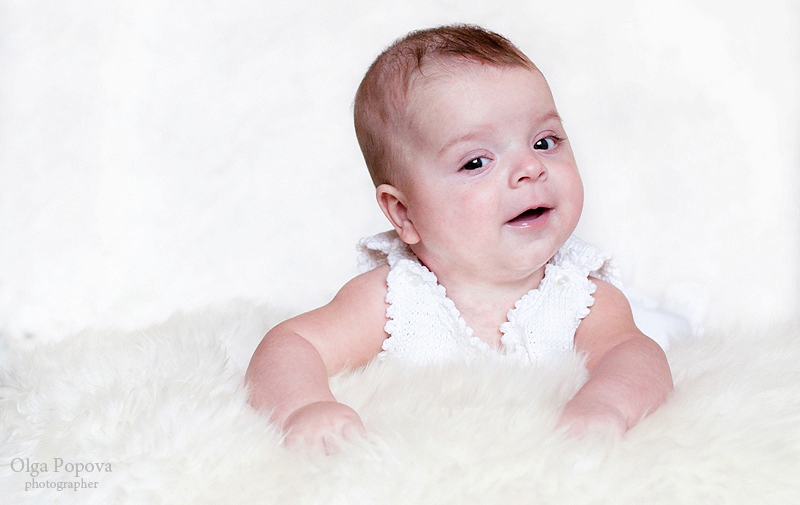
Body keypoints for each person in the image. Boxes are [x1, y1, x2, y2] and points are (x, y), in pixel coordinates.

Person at [245, 24, 673, 454]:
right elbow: (292, 344)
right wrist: (306, 407)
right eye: (476, 162)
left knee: (662, 327)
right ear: (404, 212)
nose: (531, 168)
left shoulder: (579, 295)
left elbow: (635, 355)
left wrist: (605, 403)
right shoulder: (395, 299)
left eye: (544, 142)